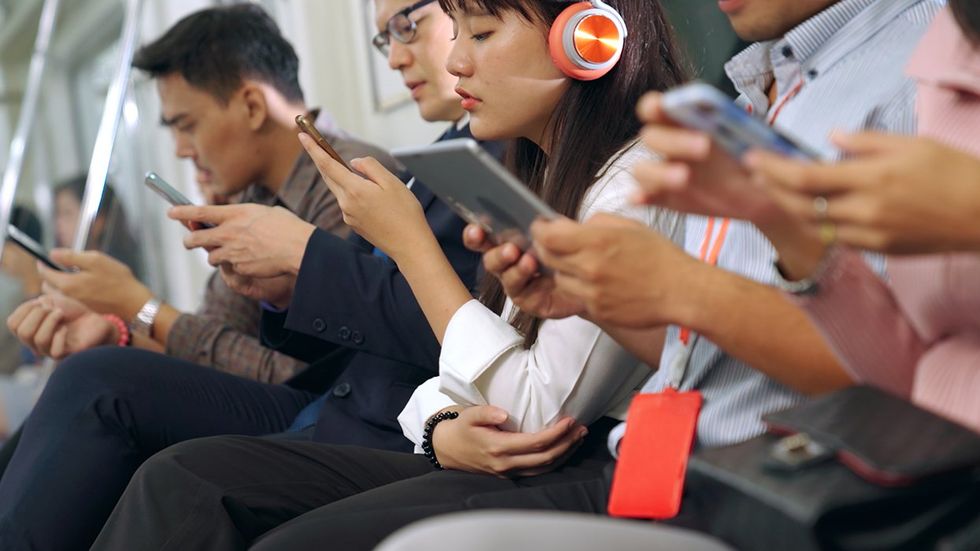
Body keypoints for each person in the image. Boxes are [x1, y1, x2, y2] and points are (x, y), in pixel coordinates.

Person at [92, 0, 689, 549]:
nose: (456, 60)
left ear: (591, 38)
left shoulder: (629, 187)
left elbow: (529, 416)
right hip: (443, 437)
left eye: (480, 33)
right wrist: (440, 424)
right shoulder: (549, 176)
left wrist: (409, 245)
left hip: (595, 466)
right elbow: (462, 375)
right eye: (456, 34)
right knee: (177, 473)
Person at [0, 5, 398, 549]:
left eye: (187, 125)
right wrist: (124, 330)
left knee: (96, 383)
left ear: (252, 105)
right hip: (291, 400)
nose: (183, 150)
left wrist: (142, 309)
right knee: (89, 380)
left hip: (332, 411)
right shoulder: (256, 196)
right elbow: (213, 339)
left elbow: (302, 375)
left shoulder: (351, 185)